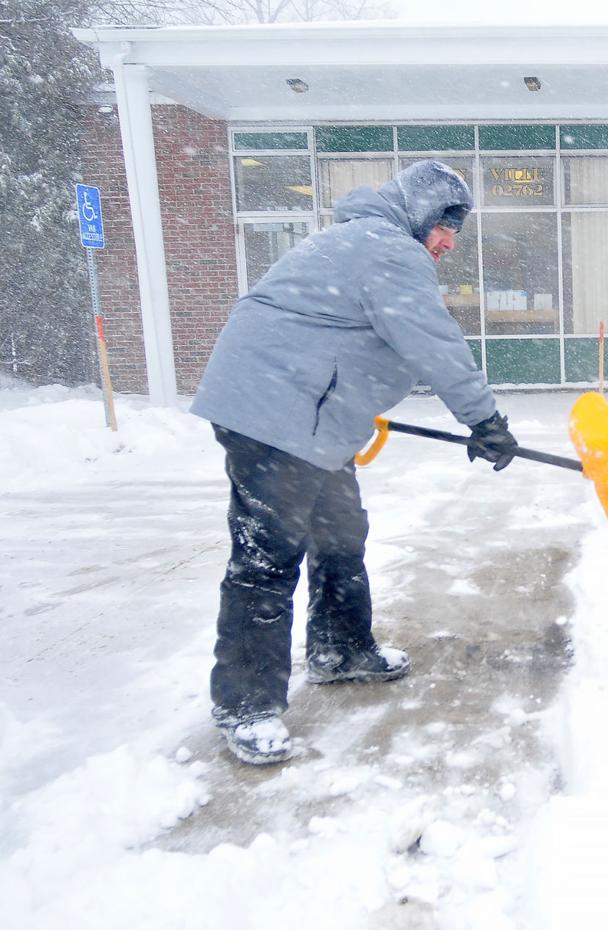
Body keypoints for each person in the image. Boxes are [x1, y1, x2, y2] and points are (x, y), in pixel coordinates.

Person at [191, 160, 517, 765]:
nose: (448, 240)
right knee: (267, 559)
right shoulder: (386, 249)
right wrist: (484, 421)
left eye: (457, 230)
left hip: (306, 419)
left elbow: (341, 338)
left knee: (340, 533)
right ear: (418, 213)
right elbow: (431, 341)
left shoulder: (360, 243)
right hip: (276, 419)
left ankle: (340, 650)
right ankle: (246, 705)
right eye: (444, 224)